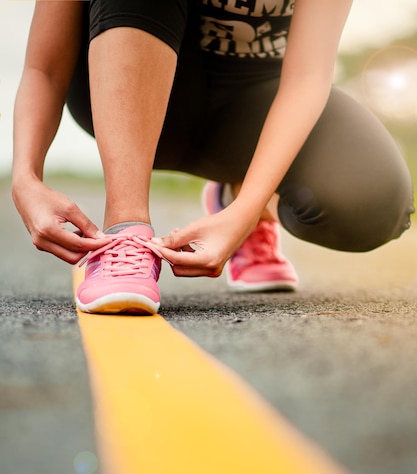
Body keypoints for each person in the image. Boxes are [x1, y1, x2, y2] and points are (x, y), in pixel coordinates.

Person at [12, 0, 415, 314]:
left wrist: (245, 210)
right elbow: (44, 68)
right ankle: (125, 233)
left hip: (250, 108)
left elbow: (308, 76)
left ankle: (239, 198)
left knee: (376, 203)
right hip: (132, 89)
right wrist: (26, 178)